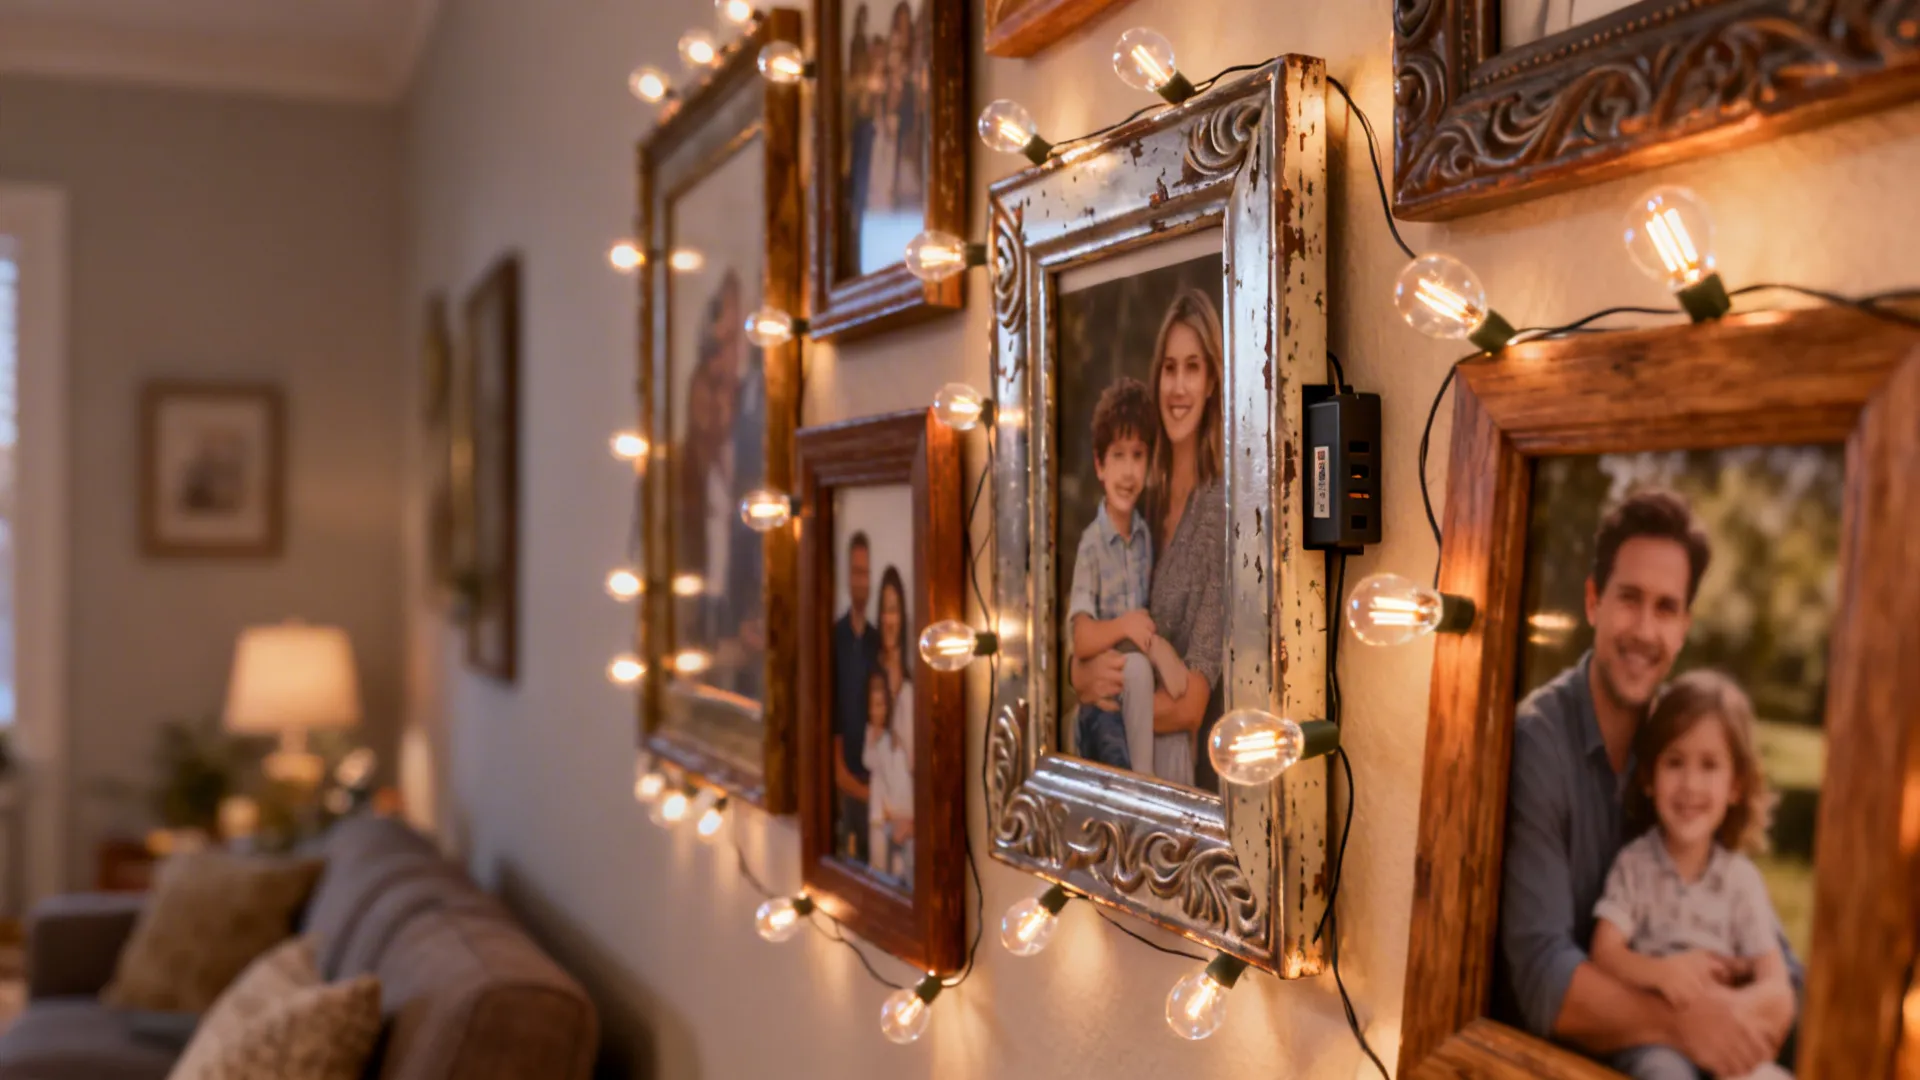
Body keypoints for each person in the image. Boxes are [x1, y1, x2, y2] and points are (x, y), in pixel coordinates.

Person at [1498, 491, 1797, 1080]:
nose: (1645, 628)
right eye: (1629, 599)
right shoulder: (1538, 744)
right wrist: (1687, 1024)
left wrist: (1737, 1016)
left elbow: (1782, 980)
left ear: (1685, 626)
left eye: (1666, 608)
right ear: (1593, 601)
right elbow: (1543, 978)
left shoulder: (1680, 746)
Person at [1590, 670, 1795, 1080]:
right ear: (1649, 777)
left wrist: (1732, 1011)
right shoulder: (1636, 865)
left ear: (1735, 785)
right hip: (1657, 1044)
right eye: (1675, 762)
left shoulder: (1740, 881)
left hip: (1725, 1043)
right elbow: (1605, 952)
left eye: (1709, 765)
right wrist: (1663, 974)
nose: (1690, 784)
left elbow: (1778, 991)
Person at [1069, 288, 1227, 788]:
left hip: (1178, 773)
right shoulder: (1142, 498)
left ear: (1212, 382)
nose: (1178, 387)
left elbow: (1191, 706)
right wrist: (1080, 677)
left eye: (1193, 368)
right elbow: (1090, 637)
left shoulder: (1221, 515)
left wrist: (1097, 703)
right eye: (1169, 368)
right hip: (1119, 758)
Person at [1068, 377, 1188, 773]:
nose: (1127, 471)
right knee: (1135, 669)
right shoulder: (1092, 545)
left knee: (1159, 688)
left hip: (1135, 690)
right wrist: (1125, 626)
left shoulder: (1143, 537)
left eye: (1137, 456)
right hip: (1102, 708)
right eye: (1117, 456)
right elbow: (1082, 638)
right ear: (1100, 466)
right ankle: (1141, 786)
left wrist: (1151, 643)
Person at [831, 532, 880, 863]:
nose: (861, 580)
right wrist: (841, 775)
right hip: (843, 776)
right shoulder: (833, 637)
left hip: (876, 777)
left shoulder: (878, 641)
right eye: (856, 572)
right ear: (848, 577)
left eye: (865, 572)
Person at [865, 567, 915, 882]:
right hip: (879, 818)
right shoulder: (872, 682)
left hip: (910, 824)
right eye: (884, 609)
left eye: (894, 609)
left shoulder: (911, 689)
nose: (888, 619)